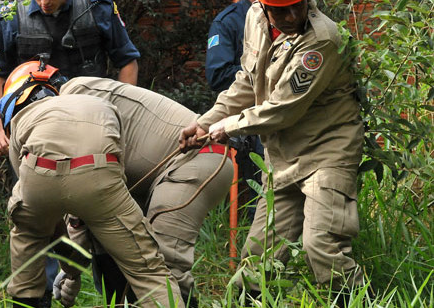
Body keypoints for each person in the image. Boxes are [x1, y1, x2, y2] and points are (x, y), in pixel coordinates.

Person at [180, 0, 365, 304]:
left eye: (298, 6)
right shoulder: (254, 18)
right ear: (263, 6)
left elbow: (283, 110)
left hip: (328, 151)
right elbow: (247, 82)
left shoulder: (322, 39)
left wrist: (227, 127)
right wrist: (205, 123)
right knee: (258, 256)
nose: (292, 16)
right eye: (281, 10)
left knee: (321, 246)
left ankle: (359, 300)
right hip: (282, 155)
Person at [0, 61, 183, 308]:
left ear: (13, 102)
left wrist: (67, 257)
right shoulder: (98, 103)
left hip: (37, 174)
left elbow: (25, 182)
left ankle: (27, 298)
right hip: (100, 173)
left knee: (27, 236)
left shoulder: (22, 117)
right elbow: (118, 162)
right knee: (147, 268)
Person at [55, 76, 234, 307]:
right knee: (112, 243)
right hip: (163, 172)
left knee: (160, 265)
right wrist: (72, 272)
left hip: (198, 157)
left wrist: (72, 271)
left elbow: (86, 192)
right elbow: (89, 212)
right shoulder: (70, 109)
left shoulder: (75, 102)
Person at [0, 0, 140, 156]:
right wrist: (1, 131)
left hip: (94, 123)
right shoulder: (11, 15)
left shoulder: (98, 7)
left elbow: (128, 62)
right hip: (33, 129)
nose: (44, 2)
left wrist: (121, 120)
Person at [206, 0, 263, 220]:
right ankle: (260, 253)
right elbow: (217, 75)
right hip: (252, 121)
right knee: (261, 197)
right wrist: (262, 67)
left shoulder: (288, 11)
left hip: (289, 115)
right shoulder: (229, 21)